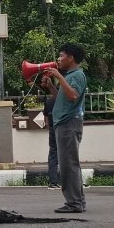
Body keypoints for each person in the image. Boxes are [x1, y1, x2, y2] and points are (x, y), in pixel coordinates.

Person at [43, 43, 88, 213]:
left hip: (69, 124)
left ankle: (74, 203)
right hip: (64, 123)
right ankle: (78, 201)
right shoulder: (70, 75)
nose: (58, 59)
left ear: (71, 58)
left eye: (62, 56)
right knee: (70, 164)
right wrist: (51, 86)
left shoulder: (76, 75)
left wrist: (59, 77)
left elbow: (74, 95)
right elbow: (63, 97)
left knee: (68, 165)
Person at [40, 87, 60, 190]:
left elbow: (46, 118)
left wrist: (50, 128)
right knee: (68, 155)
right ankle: (72, 182)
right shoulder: (63, 101)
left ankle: (53, 182)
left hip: (52, 129)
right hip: (62, 129)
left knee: (52, 155)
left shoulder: (49, 102)